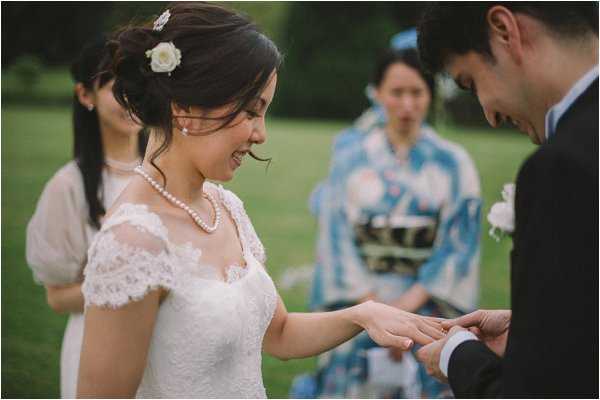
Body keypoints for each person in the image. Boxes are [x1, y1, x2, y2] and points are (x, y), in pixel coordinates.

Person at [75, 4, 446, 398]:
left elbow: (280, 334)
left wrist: (361, 315)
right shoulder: (133, 241)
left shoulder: (225, 208)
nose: (261, 134)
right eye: (252, 111)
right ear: (185, 105)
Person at [415, 3, 598, 397]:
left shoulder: (564, 167)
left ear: (503, 30)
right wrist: (538, 326)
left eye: (472, 82)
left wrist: (457, 356)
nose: (489, 114)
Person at [305, 48, 481, 398]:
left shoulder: (453, 163)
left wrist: (404, 314)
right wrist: (374, 311)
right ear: (378, 93)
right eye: (396, 93)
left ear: (431, 95)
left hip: (428, 307)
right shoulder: (351, 159)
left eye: (416, 92)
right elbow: (336, 239)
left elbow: (457, 247)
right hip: (361, 301)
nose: (406, 104)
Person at [24, 36, 145, 398]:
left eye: (139, 86)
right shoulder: (68, 186)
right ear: (85, 95)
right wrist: (135, 287)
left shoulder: (168, 176)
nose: (130, 98)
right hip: (98, 346)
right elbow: (58, 297)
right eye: (115, 87)